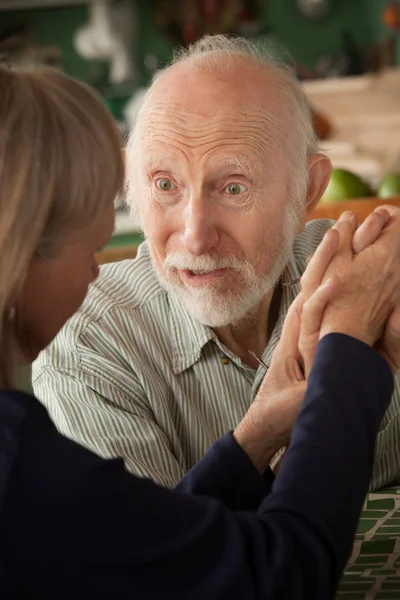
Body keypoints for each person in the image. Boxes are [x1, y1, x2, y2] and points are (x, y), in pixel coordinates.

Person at [1, 63, 399, 600]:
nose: (191, 235)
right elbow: (279, 578)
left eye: (233, 187)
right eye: (162, 185)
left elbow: (149, 548)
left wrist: (255, 434)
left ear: (309, 188)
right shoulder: (22, 453)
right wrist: (349, 349)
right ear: (22, 250)